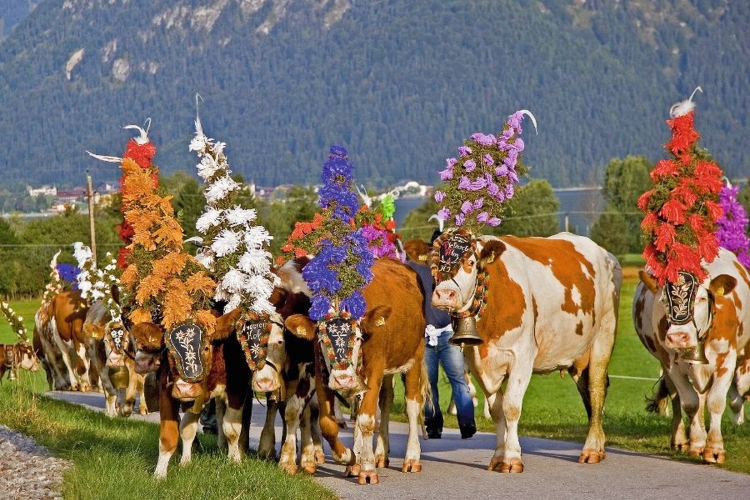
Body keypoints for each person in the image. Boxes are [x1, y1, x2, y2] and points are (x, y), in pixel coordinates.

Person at [404, 233, 476, 439]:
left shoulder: (453, 268)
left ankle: (467, 422)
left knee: (458, 378)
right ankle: (433, 424)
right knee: (429, 382)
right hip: (424, 335)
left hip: (447, 332)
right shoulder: (415, 267)